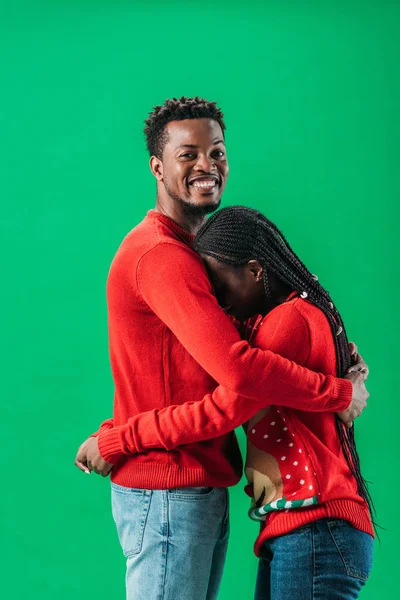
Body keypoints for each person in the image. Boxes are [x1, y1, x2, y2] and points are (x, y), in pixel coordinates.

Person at [74, 97, 369, 600]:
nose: (206, 165)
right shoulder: (162, 256)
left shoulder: (198, 256)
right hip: (168, 484)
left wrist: (328, 349)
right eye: (188, 154)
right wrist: (337, 391)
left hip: (195, 480)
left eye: (217, 152)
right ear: (157, 167)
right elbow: (238, 369)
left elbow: (222, 353)